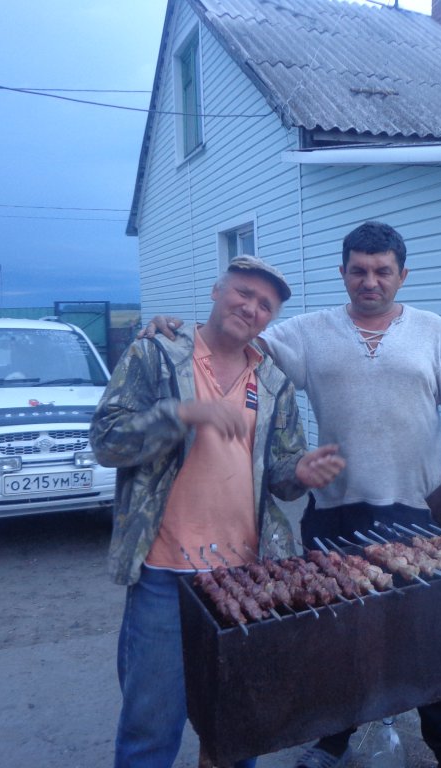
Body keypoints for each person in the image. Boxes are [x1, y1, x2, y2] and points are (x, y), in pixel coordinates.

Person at [146, 222, 441, 768]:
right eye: (359, 270)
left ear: (402, 275)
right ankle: (332, 737)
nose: (370, 281)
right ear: (343, 273)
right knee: (335, 642)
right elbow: (234, 342)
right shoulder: (308, 332)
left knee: (435, 638)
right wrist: (179, 330)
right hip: (336, 514)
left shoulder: (432, 331)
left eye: (383, 271)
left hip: (421, 512)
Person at [91, 255, 345, 768]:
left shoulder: (273, 380)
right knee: (150, 724)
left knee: (238, 726)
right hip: (166, 575)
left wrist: (301, 471)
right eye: (243, 293)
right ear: (216, 290)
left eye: (264, 305)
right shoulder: (157, 355)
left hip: (244, 575)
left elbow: (281, 475)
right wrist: (181, 413)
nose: (251, 308)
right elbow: (106, 441)